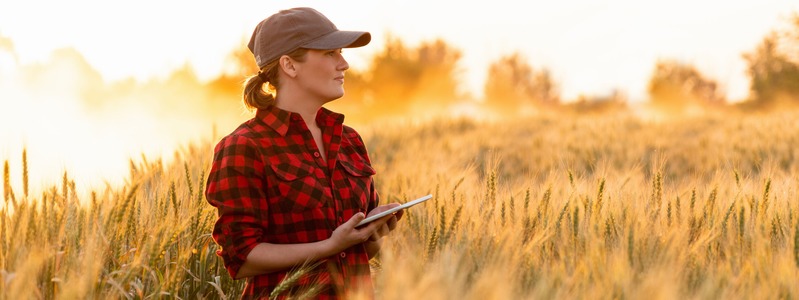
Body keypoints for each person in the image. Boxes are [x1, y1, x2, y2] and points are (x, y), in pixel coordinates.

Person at [205, 7, 403, 299]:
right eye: (330, 53)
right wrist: (329, 247)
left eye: (341, 53)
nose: (344, 64)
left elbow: (357, 253)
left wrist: (372, 233)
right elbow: (242, 259)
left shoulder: (349, 140)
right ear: (289, 65)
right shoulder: (245, 147)